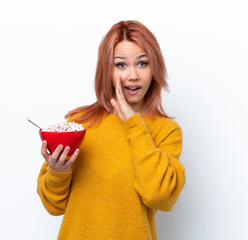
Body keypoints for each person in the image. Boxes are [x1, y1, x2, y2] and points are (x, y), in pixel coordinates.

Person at [37, 20, 185, 240]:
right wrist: (58, 172)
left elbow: (160, 196)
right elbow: (53, 206)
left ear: (155, 68)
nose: (133, 75)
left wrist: (134, 123)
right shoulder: (80, 124)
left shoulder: (166, 131)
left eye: (142, 63)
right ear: (107, 69)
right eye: (121, 65)